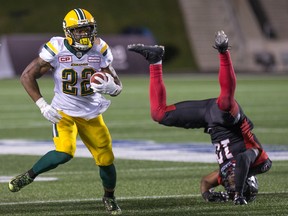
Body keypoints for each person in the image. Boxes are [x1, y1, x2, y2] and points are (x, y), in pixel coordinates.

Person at [127, 30, 272, 205]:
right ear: (248, 180)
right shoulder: (260, 163)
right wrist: (239, 194)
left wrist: (207, 195)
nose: (231, 182)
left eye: (230, 186)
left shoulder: (224, 174)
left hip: (208, 119)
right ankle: (223, 51)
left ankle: (155, 59)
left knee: (159, 114)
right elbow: (242, 160)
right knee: (225, 103)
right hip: (231, 121)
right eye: (236, 184)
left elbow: (205, 181)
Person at [8, 8, 122, 215]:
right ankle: (28, 176)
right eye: (78, 30)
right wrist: (42, 105)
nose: (84, 34)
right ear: (68, 32)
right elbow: (27, 75)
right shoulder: (57, 48)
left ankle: (109, 197)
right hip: (64, 111)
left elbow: (117, 85)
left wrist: (112, 88)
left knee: (106, 160)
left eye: (87, 29)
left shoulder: (101, 48)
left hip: (92, 112)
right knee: (64, 153)